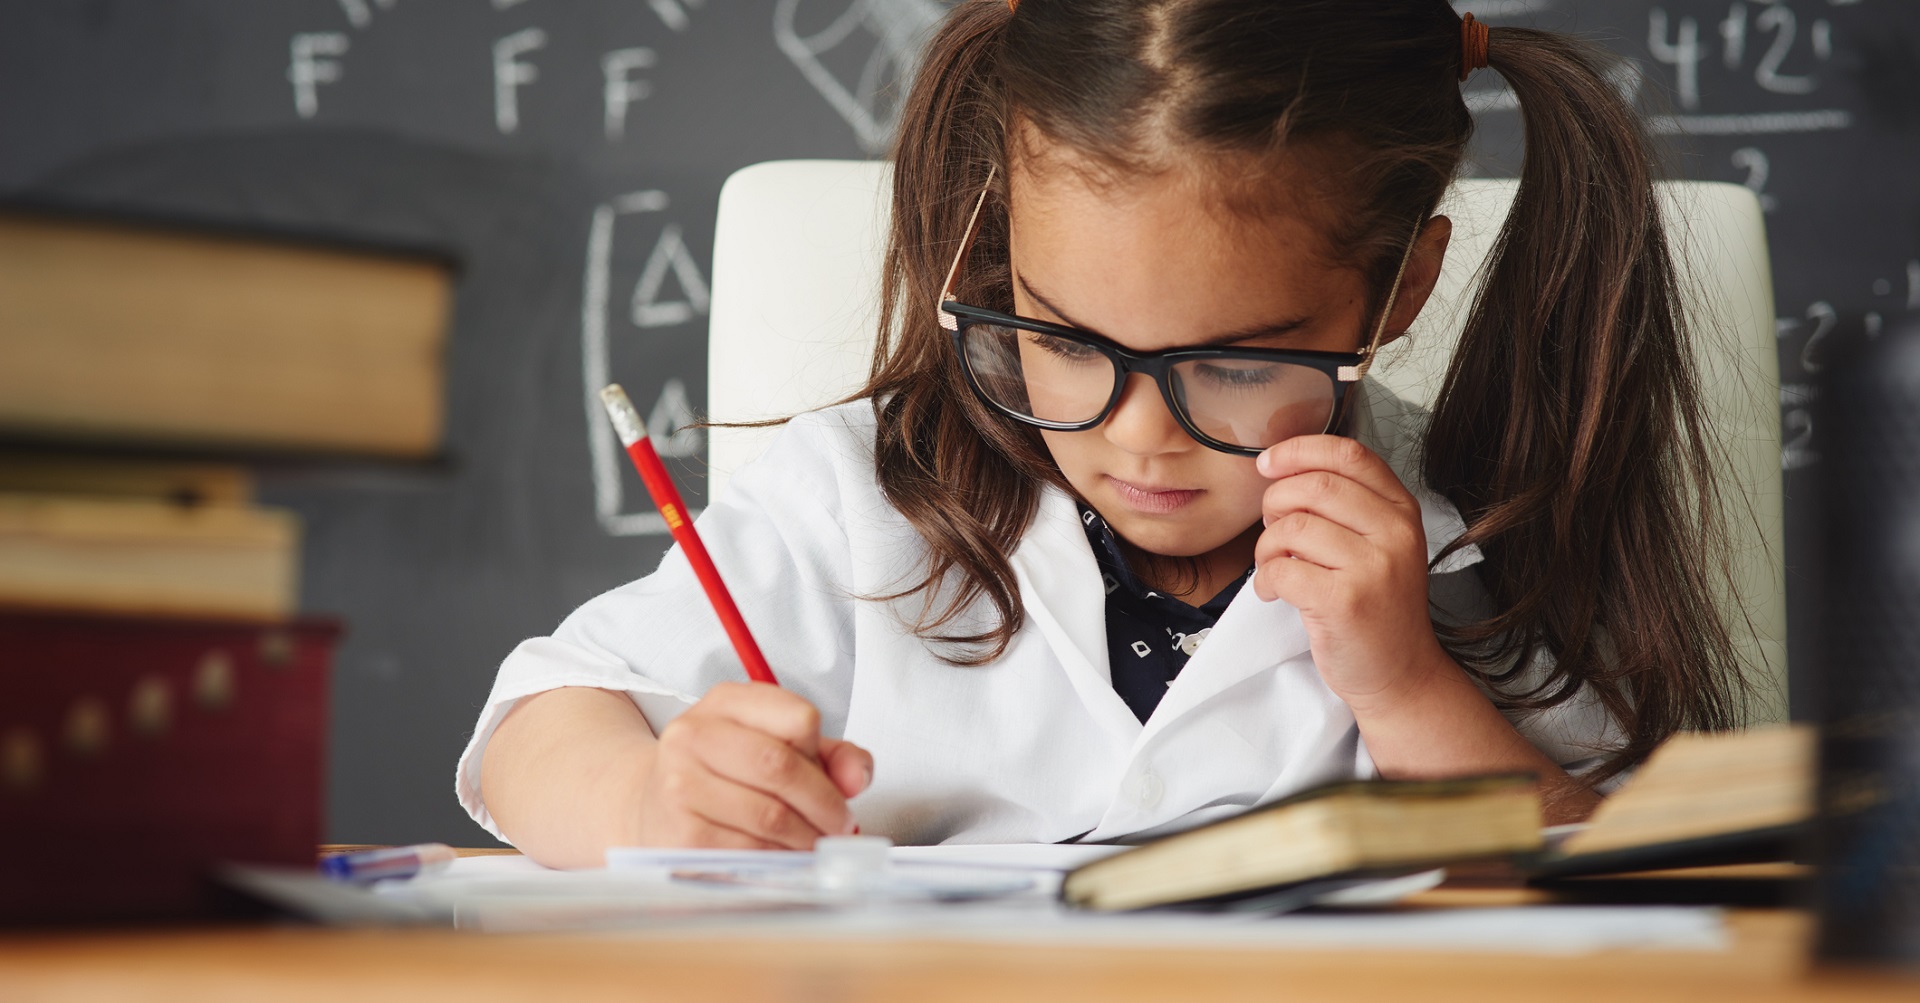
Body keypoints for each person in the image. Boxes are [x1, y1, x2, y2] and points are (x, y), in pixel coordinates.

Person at [462, 0, 1748, 868]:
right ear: (1001, 254)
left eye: (1235, 362)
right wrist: (654, 798)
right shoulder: (864, 492)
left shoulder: (1470, 537)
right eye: (1065, 339)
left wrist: (1403, 685)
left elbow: (1619, 885)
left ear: (1400, 287)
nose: (1136, 437)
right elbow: (536, 724)